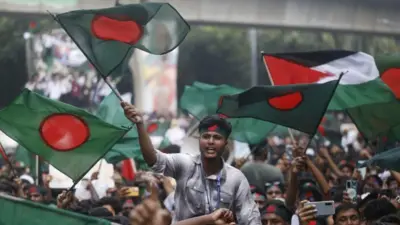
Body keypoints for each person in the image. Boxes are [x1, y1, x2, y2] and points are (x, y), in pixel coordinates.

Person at [122, 102, 261, 225]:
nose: (211, 141)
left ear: (226, 144)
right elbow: (153, 159)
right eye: (206, 136)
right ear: (199, 140)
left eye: (217, 137)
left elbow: (251, 218)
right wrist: (140, 125)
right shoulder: (184, 163)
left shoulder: (237, 178)